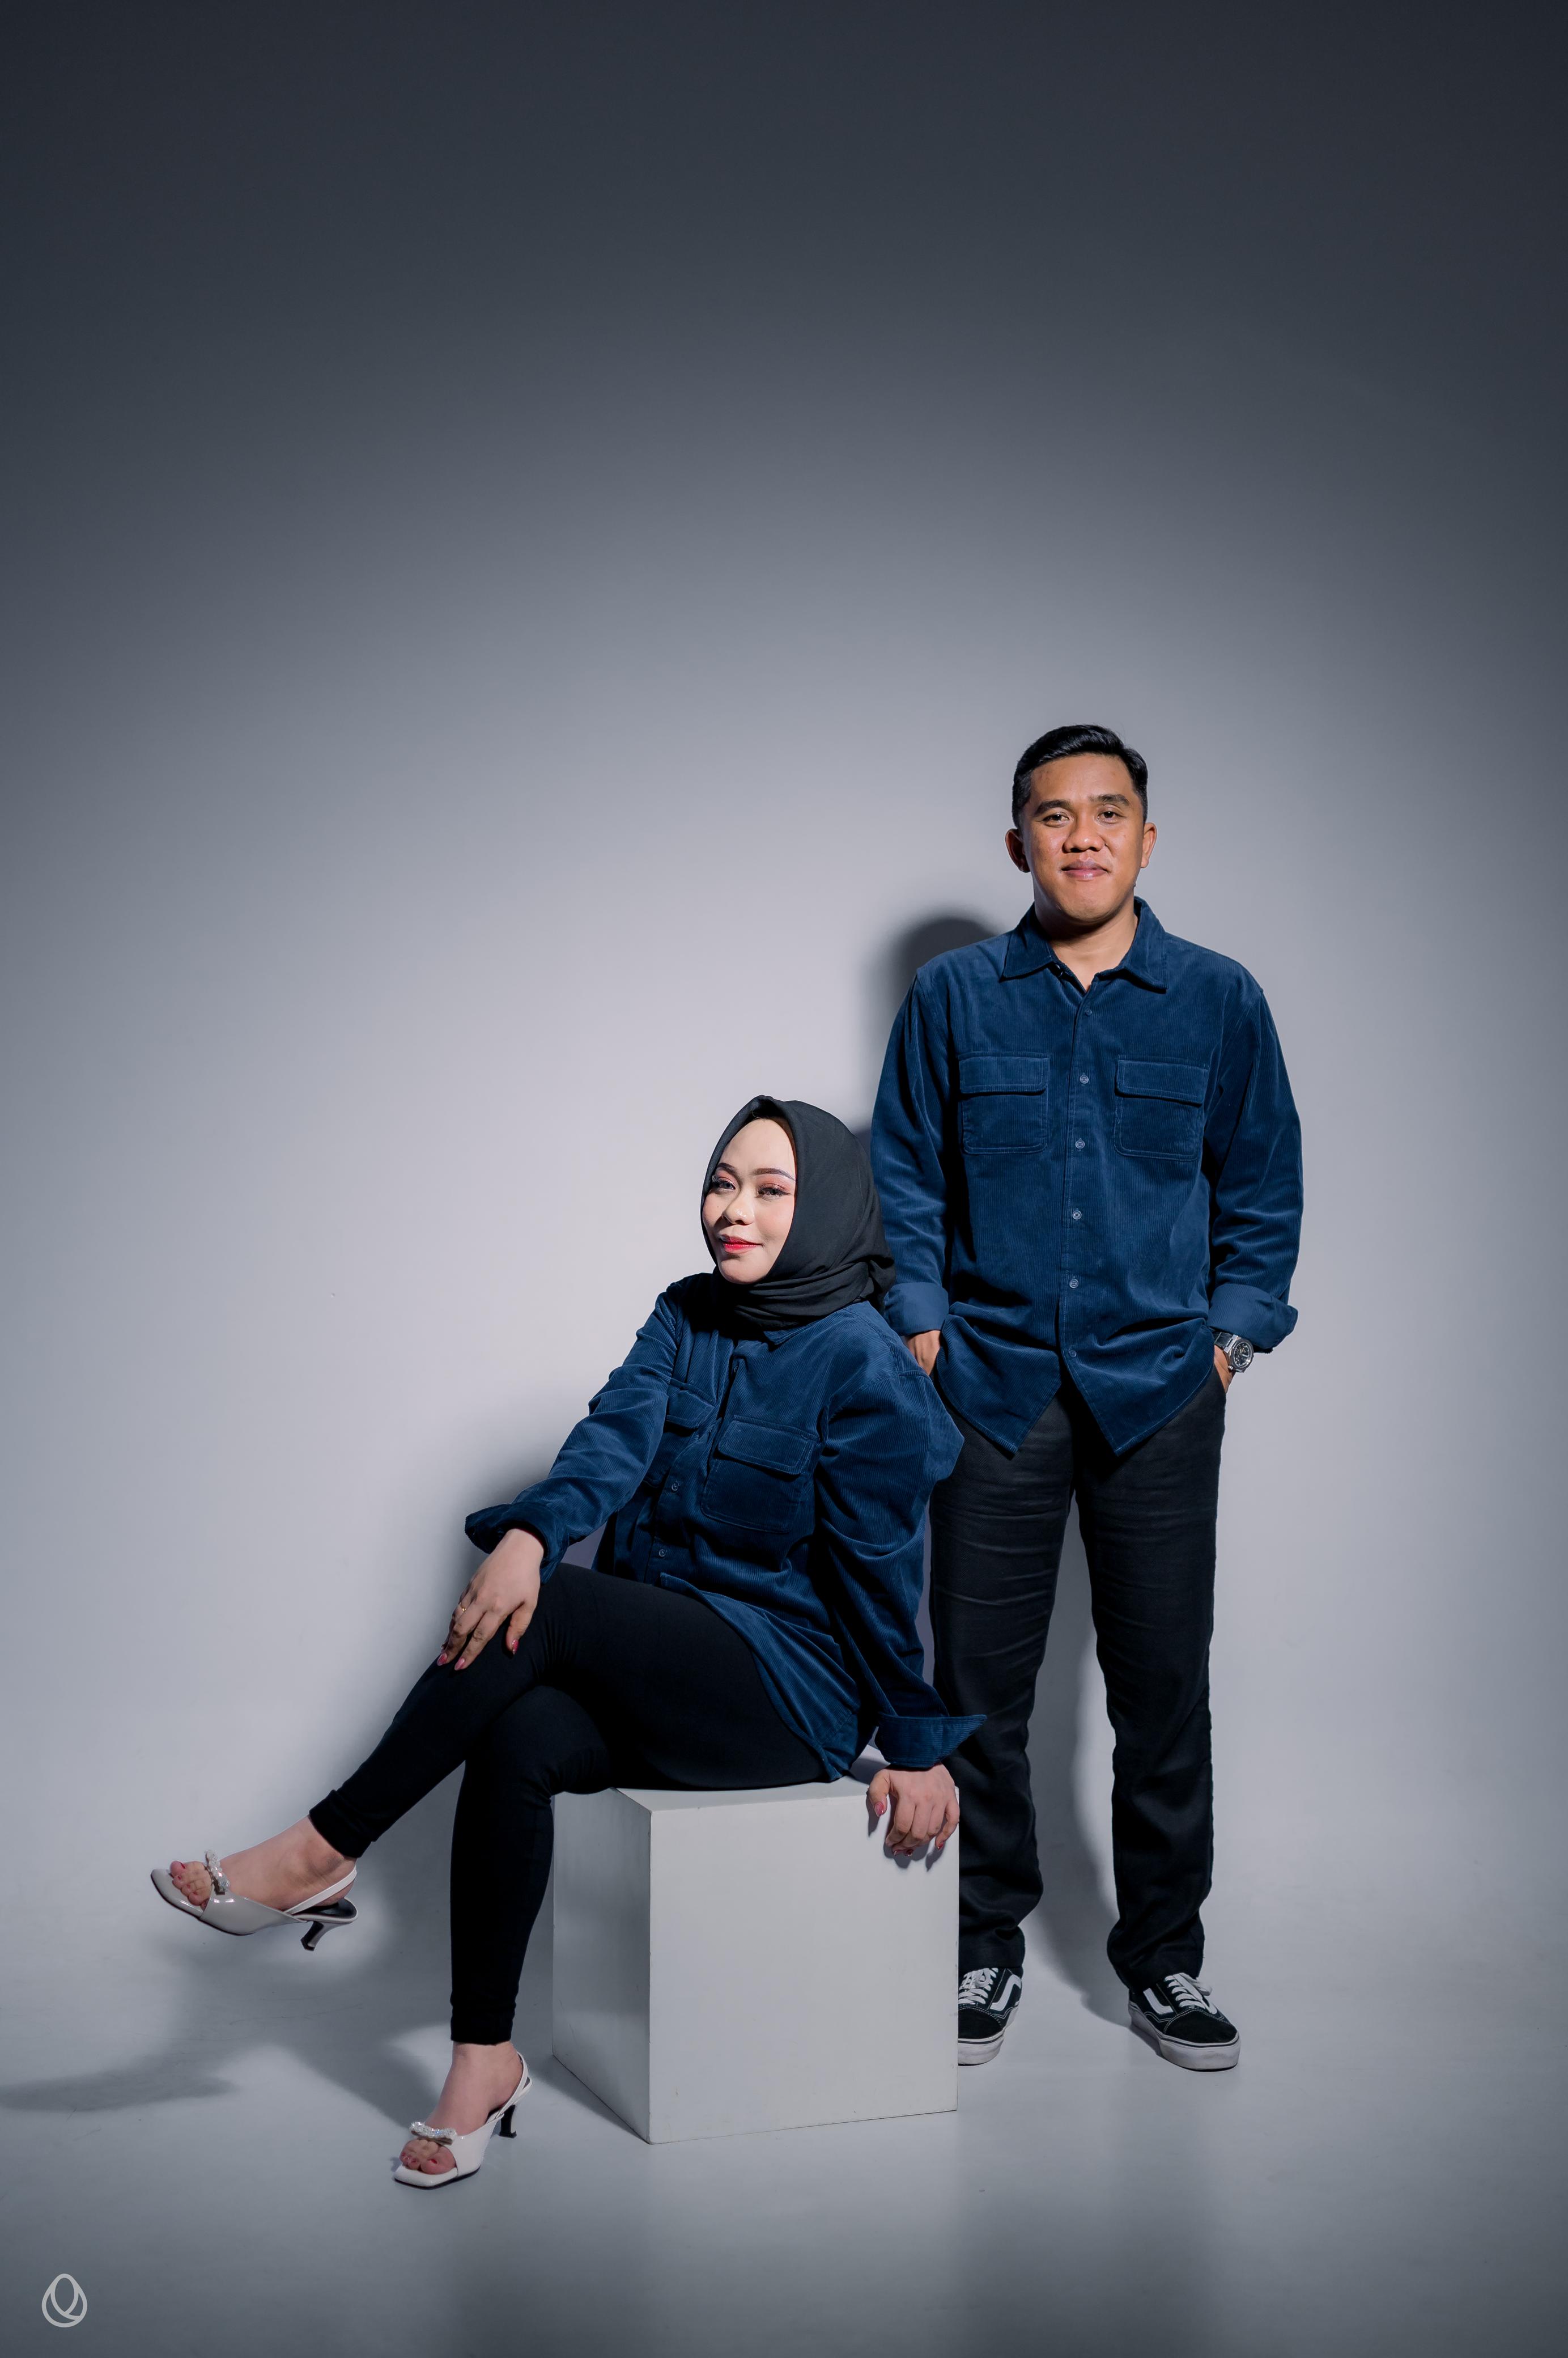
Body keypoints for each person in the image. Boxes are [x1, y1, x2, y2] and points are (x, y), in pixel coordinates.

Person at [152, 1097, 978, 2183]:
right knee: (521, 1734)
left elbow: (881, 1570)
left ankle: (326, 1848)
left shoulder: (866, 1363)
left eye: (770, 1191)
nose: (733, 1211)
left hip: (785, 1694)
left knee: (557, 1608)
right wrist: (535, 1532)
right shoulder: (684, 1314)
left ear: (823, 1207)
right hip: (664, 1670)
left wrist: (914, 1740)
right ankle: (482, 2061)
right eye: (721, 1182)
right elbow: (612, 1436)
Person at [871, 724, 1302, 2071]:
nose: (1082, 836)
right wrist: (925, 1334)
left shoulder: (1218, 998)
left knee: (1161, 1685)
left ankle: (1162, 1959)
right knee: (975, 1688)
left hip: (1161, 1391)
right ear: (1019, 843)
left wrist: (1226, 1346)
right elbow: (903, 1177)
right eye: (1054, 816)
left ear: (1146, 839)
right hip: (990, 1393)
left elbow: (1263, 1187)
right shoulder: (951, 997)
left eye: (1107, 812)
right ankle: (980, 1942)